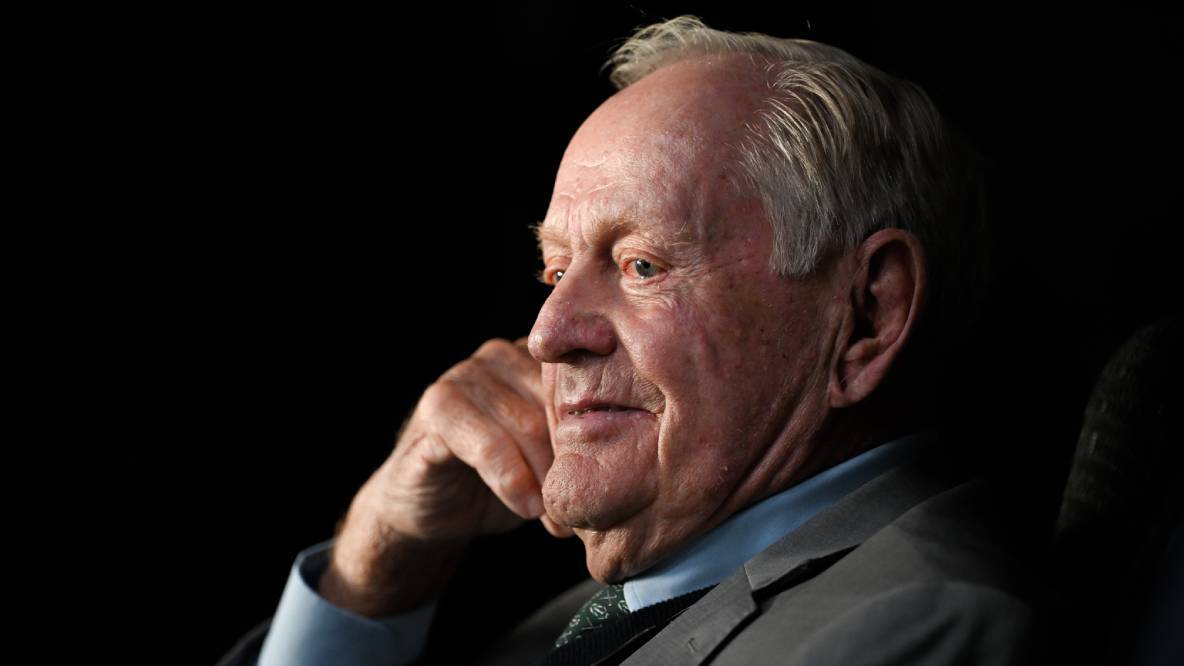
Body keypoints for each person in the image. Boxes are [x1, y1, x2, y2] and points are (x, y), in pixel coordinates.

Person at [220, 16, 1037, 665]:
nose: (548, 336)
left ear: (866, 317)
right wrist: (374, 571)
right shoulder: (606, 612)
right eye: (555, 271)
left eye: (641, 265)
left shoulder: (916, 626)